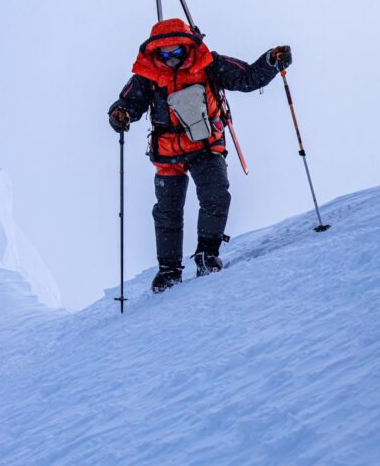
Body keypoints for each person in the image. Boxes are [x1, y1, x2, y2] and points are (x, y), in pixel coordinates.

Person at [108, 17, 292, 293]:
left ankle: (207, 255)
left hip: (206, 146)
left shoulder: (209, 64)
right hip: (168, 151)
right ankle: (168, 270)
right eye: (164, 54)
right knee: (167, 213)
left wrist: (270, 61)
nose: (170, 58)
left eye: (176, 52)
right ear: (155, 52)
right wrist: (119, 115)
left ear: (187, 47)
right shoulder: (146, 75)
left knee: (216, 195)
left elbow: (245, 78)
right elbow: (127, 104)